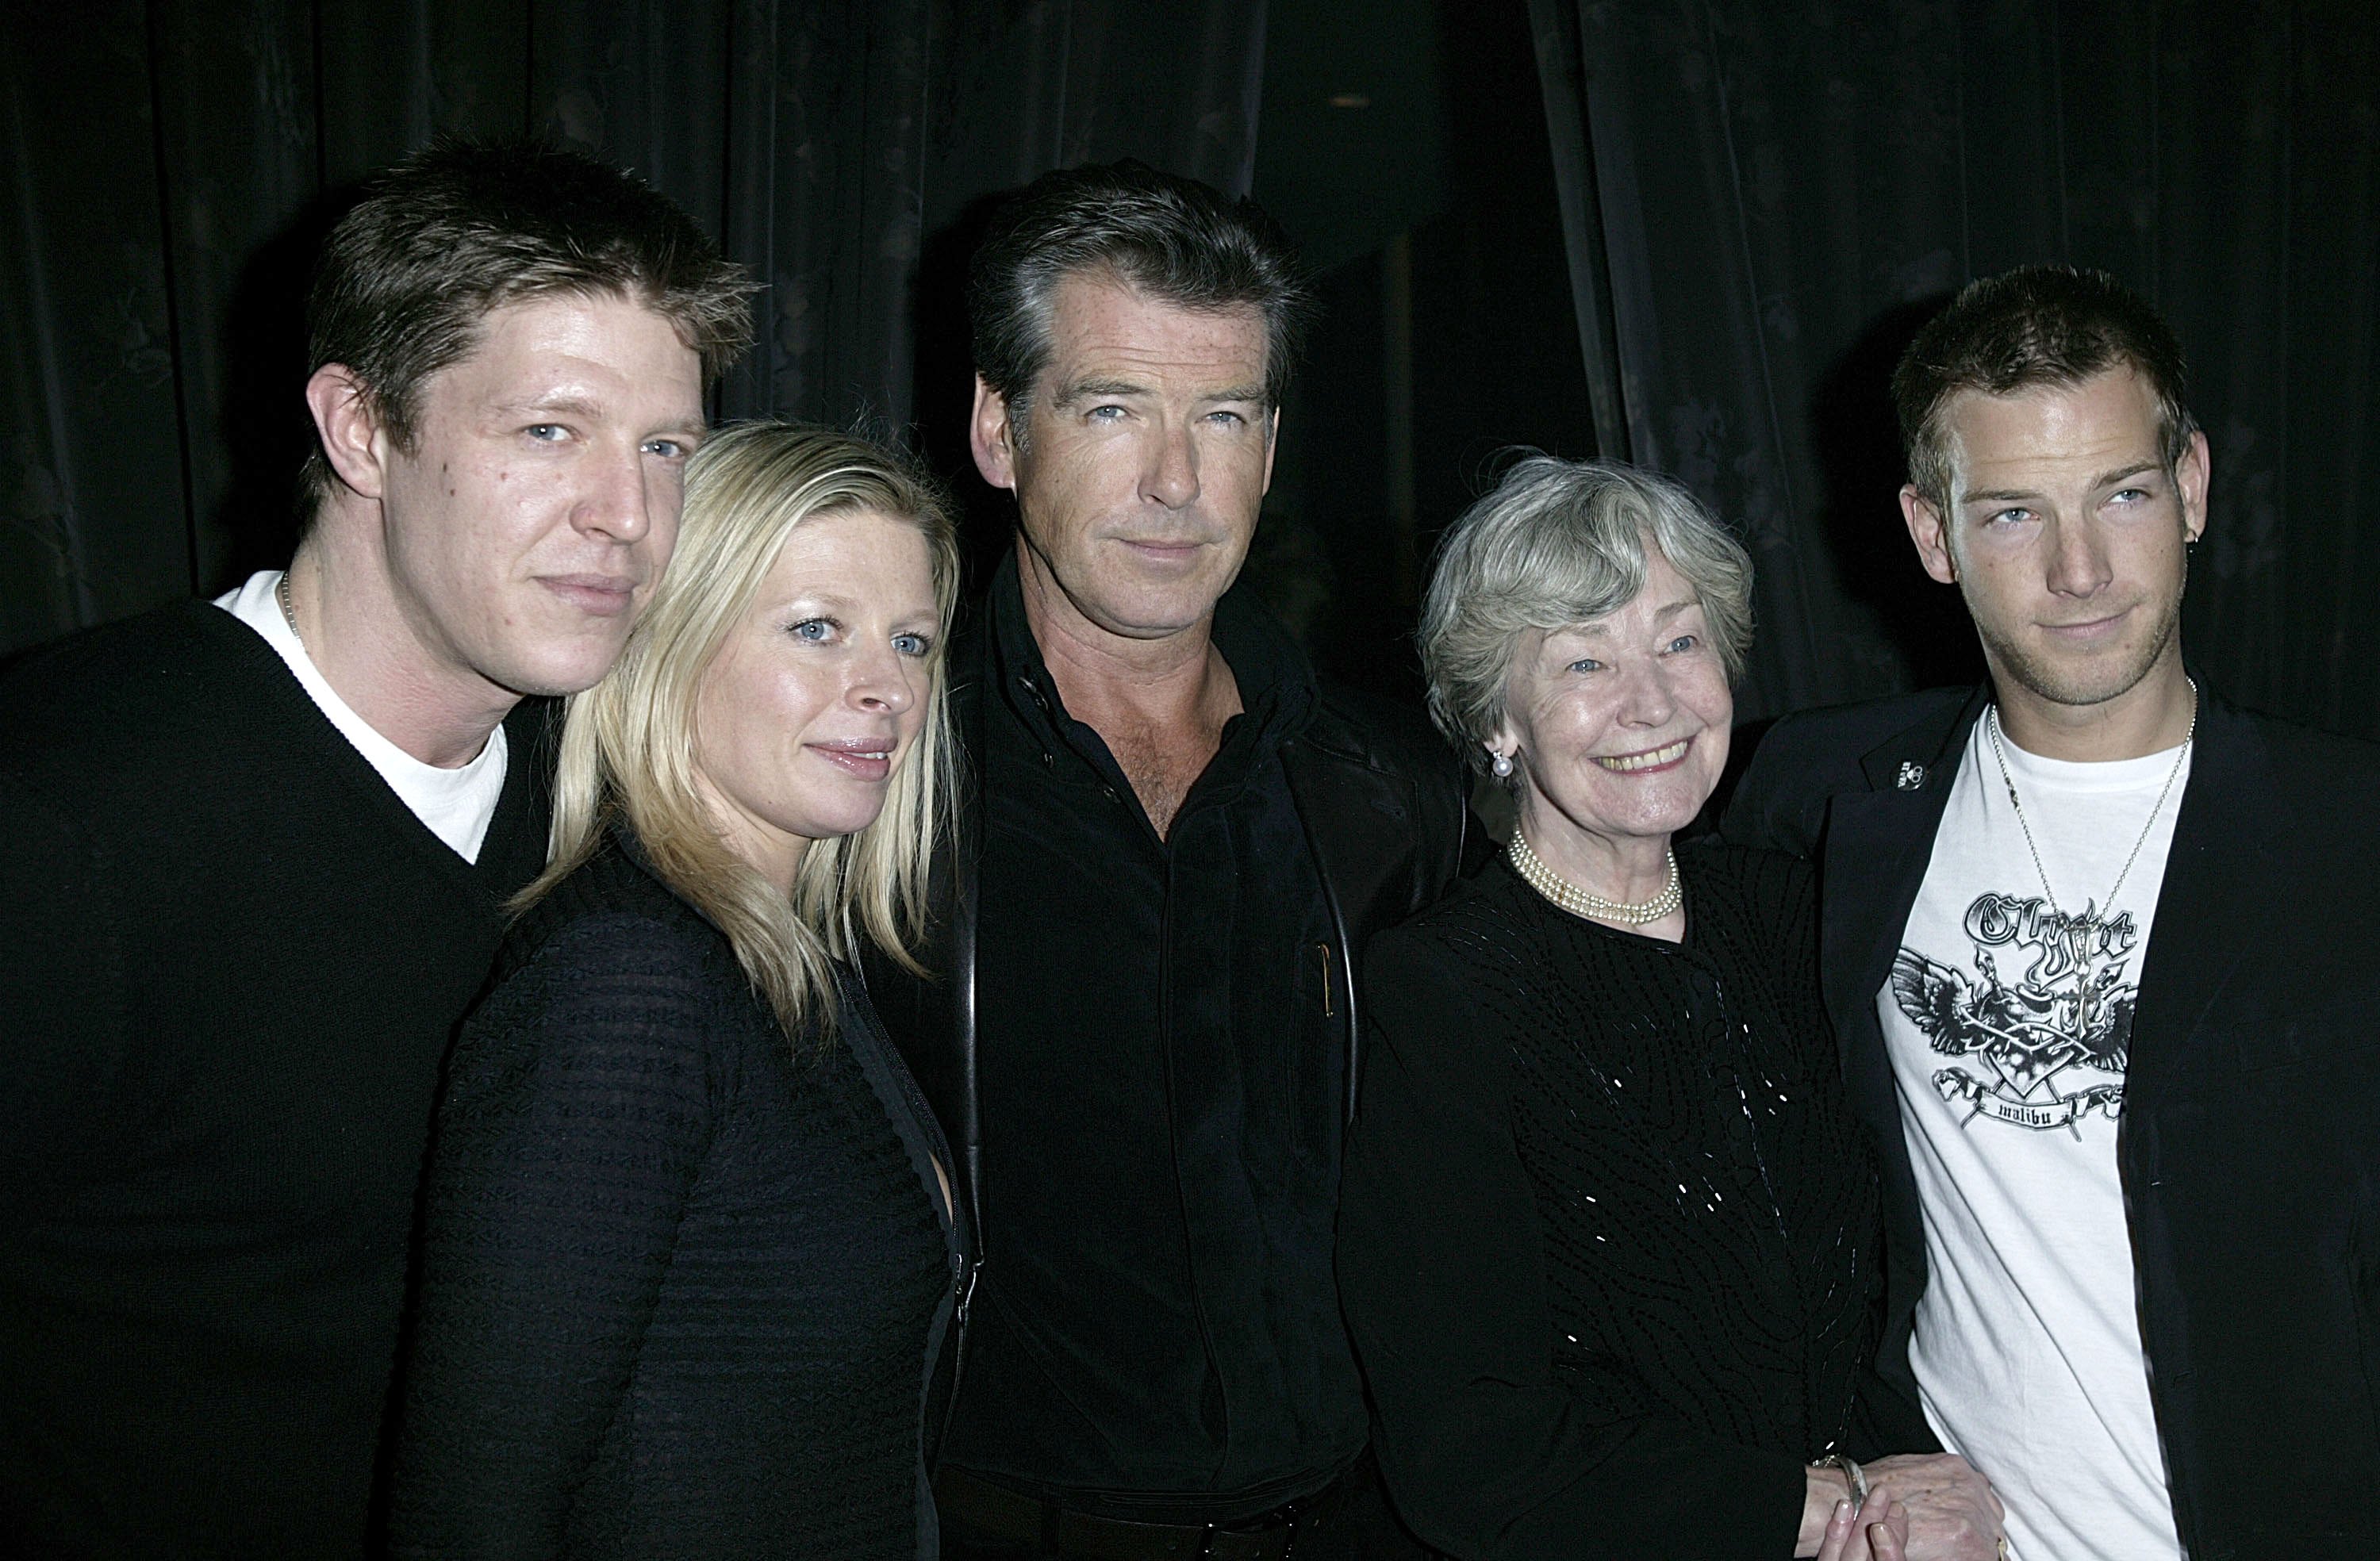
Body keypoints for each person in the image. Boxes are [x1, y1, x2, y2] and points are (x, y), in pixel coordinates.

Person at [0, 137, 750, 1556]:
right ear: (359, 430)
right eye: (550, 431)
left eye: (666, 446)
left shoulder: (614, 800)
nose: (629, 516)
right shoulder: (69, 805)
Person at [1722, 265, 2380, 1559]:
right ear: (1931, 532)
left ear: (2191, 487)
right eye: (2015, 512)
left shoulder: (2349, 837)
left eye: (2122, 495)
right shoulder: (1818, 797)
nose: (2081, 570)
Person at [863, 160, 1468, 1559]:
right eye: (1114, 408)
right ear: (1001, 432)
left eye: (1225, 416)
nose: (1177, 483)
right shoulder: (873, 785)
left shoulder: (1396, 796)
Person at [1334, 458, 2000, 1561]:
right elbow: (1469, 1448)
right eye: (1586, 661)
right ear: (1496, 718)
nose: (1653, 703)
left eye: (1679, 642)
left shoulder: (1801, 910)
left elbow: (1915, 1274)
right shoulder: (1438, 998)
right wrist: (1825, 1505)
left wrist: (1931, 1488)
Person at [385, 423, 965, 1558]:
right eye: (816, 629)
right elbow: (473, 1500)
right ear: (671, 642)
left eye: (911, 641)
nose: (885, 688)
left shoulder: (777, 957)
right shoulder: (631, 981)